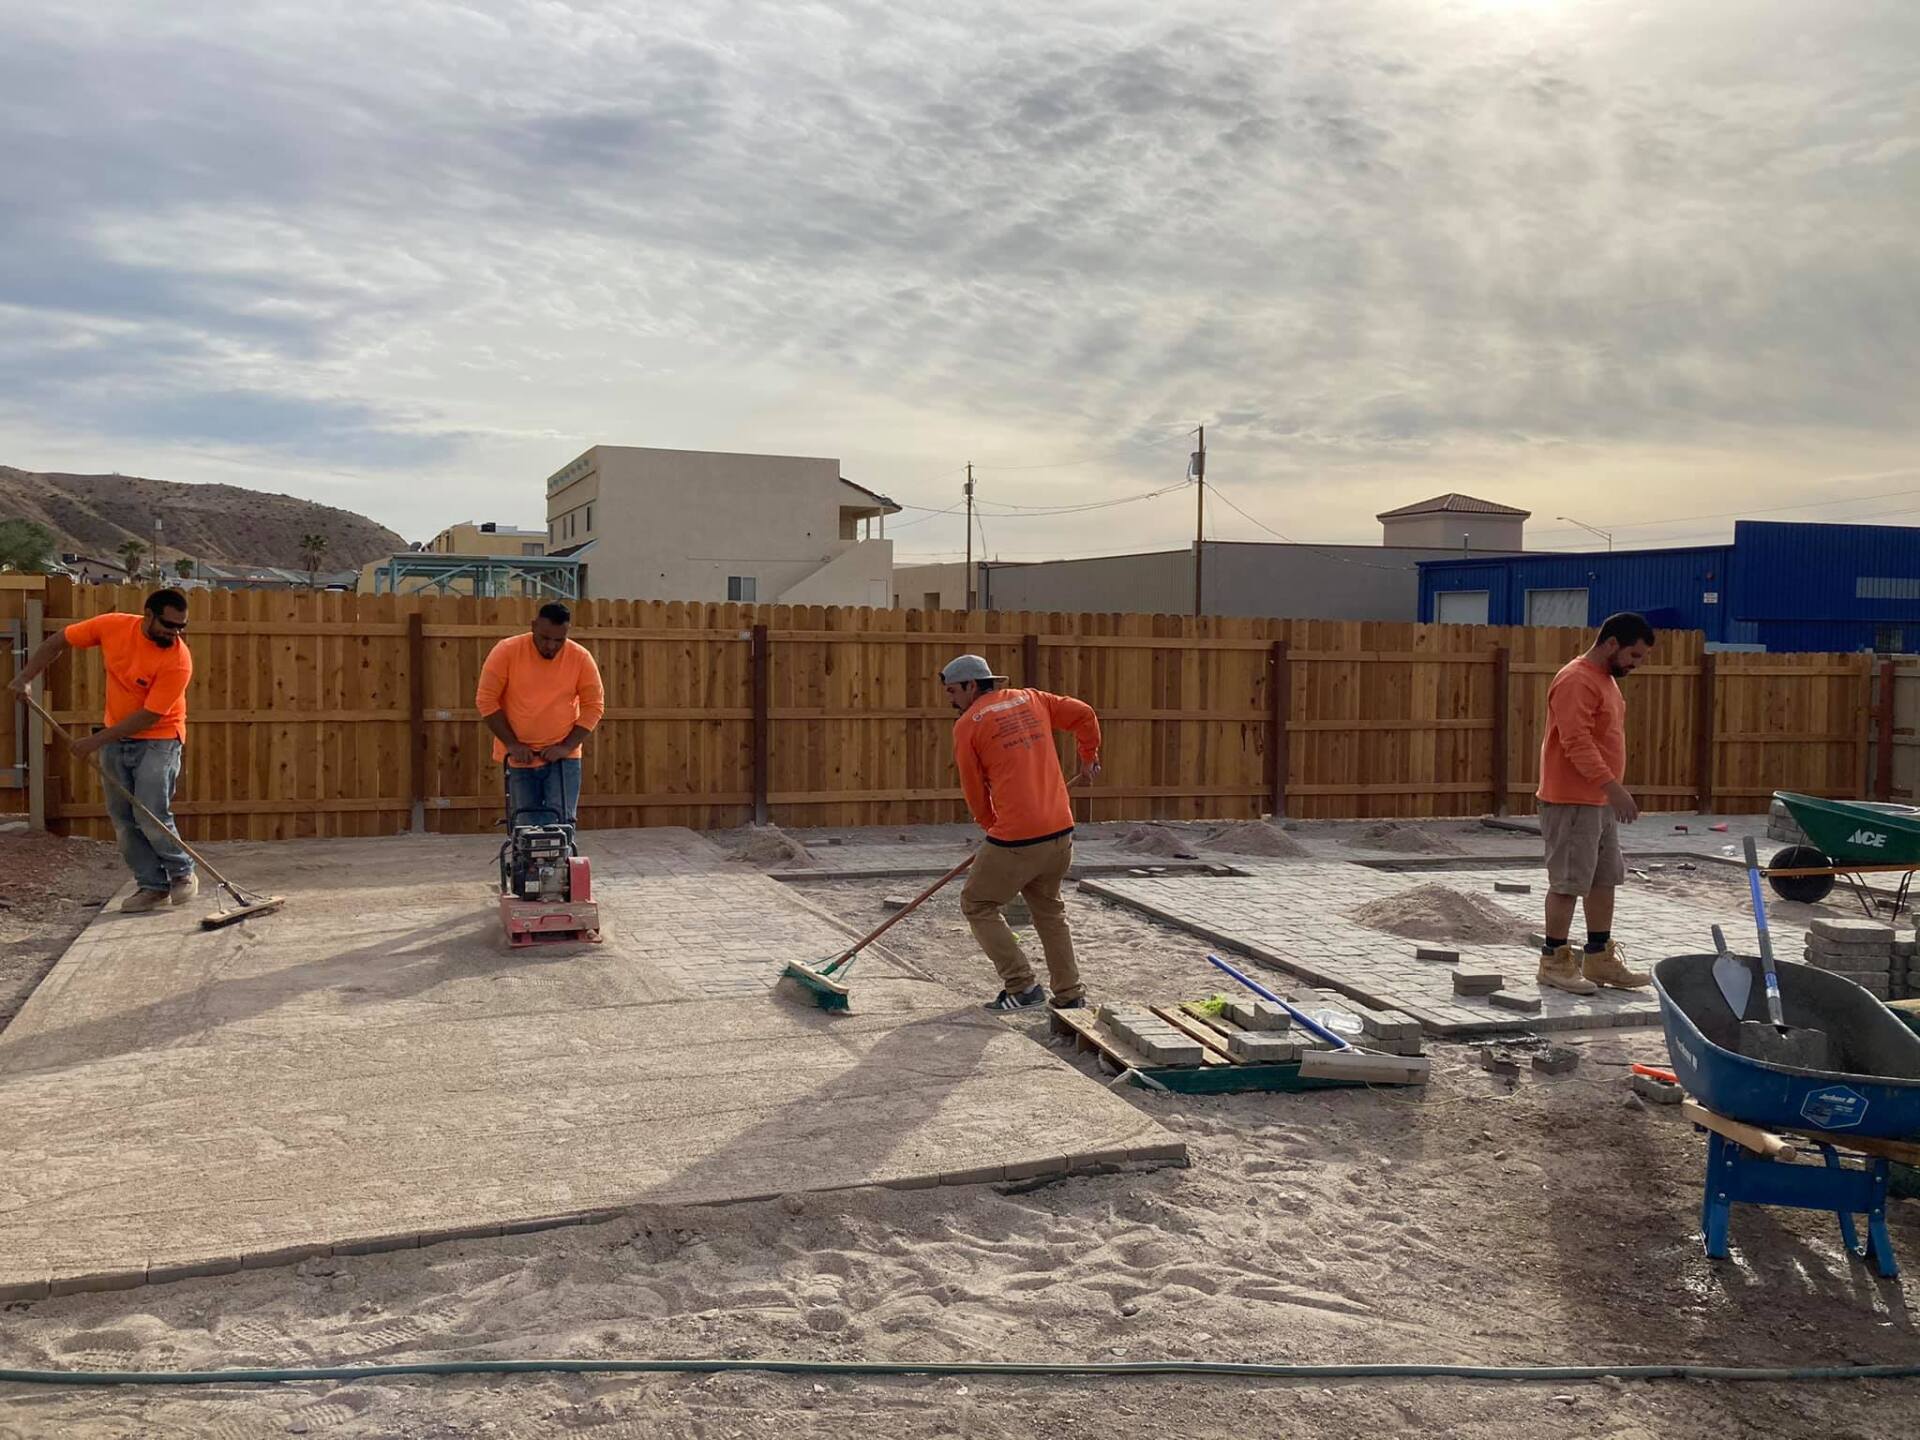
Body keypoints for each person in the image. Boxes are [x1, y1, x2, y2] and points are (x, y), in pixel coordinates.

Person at [8, 588, 197, 911]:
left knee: (150, 811)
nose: (175, 633)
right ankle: (151, 886)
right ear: (148, 615)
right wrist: (25, 677)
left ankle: (182, 873)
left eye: (181, 627)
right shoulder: (113, 626)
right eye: (169, 625)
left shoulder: (177, 659)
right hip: (115, 735)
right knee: (123, 818)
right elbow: (58, 642)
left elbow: (151, 715)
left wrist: (96, 741)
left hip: (160, 737)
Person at [942, 653, 1102, 1012]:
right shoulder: (1034, 699)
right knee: (1049, 911)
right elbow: (1084, 715)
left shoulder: (968, 724)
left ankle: (1021, 985)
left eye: (953, 691)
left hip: (1017, 837)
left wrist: (989, 826)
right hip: (1060, 831)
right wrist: (1088, 756)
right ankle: (1070, 993)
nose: (950, 699)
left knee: (977, 903)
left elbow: (973, 788)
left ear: (971, 685)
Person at [1536, 611, 1658, 994]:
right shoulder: (1576, 680)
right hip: (1572, 800)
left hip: (1597, 801)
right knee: (1569, 882)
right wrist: (1614, 788)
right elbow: (1576, 742)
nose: (1635, 665)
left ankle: (1599, 957)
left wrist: (1608, 792)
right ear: (1611, 644)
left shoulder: (1605, 680)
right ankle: (1553, 960)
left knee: (1604, 879)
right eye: (1633, 656)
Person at [476, 602, 605, 828]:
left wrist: (565, 747)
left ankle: (556, 863)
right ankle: (527, 864)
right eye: (545, 638)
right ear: (533, 626)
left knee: (561, 825)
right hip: (519, 758)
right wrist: (512, 744)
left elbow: (594, 706)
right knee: (524, 825)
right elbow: (486, 700)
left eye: (559, 640)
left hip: (563, 759)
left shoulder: (580, 658)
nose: (551, 646)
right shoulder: (507, 651)